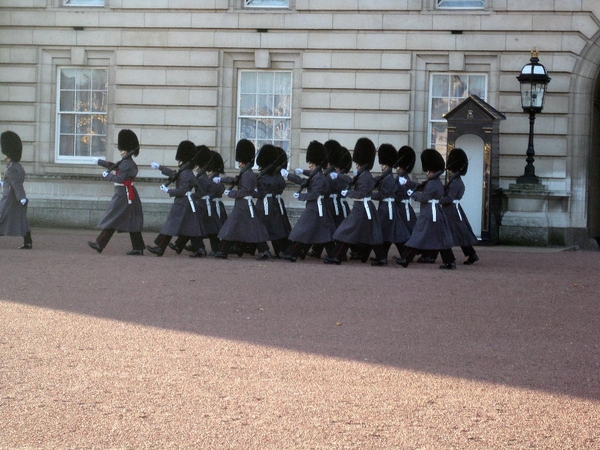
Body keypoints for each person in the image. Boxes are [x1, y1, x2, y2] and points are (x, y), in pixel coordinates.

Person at [394, 149, 456, 270]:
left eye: (428, 171)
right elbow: (419, 186)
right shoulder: (434, 181)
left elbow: (423, 197)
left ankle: (405, 259)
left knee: (417, 236)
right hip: (434, 213)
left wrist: (410, 193)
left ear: (432, 171)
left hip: (429, 213)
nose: (426, 173)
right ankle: (450, 261)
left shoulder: (433, 183)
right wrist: (407, 182)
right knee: (440, 238)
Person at [324, 137, 383, 265]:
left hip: (361, 208)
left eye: (358, 163)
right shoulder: (363, 174)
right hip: (362, 207)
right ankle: (376, 257)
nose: (356, 165)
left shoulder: (365, 175)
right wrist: (339, 175)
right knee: (371, 234)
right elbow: (351, 181)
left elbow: (361, 193)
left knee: (345, 231)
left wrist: (348, 193)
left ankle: (337, 256)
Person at [213, 139, 272, 260]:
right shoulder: (246, 173)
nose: (239, 163)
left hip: (244, 205)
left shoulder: (247, 174)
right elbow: (235, 180)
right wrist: (221, 179)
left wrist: (230, 193)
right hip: (243, 204)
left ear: (243, 161)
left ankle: (222, 251)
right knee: (249, 228)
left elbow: (245, 191)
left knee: (231, 227)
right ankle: (264, 251)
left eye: (240, 161)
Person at [87, 129, 144, 255]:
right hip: (128, 194)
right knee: (132, 220)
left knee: (113, 217)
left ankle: (99, 243)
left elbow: (119, 178)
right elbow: (116, 166)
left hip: (123, 194)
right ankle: (138, 248)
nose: (120, 152)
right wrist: (100, 162)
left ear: (124, 150)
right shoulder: (127, 162)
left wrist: (107, 176)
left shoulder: (126, 163)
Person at [279, 140, 336, 262]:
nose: (309, 165)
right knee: (324, 233)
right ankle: (333, 256)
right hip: (317, 208)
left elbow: (314, 194)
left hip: (315, 208)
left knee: (301, 230)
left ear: (316, 164)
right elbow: (303, 181)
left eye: (311, 163)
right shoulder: (318, 175)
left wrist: (300, 197)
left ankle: (291, 253)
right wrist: (288, 175)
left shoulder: (319, 178)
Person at [146, 140, 204, 257]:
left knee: (170, 225)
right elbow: (173, 174)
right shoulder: (186, 172)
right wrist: (160, 167)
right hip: (186, 203)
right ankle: (199, 249)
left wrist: (168, 190)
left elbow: (183, 191)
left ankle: (160, 248)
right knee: (191, 227)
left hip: (182, 203)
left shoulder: (186, 174)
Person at [370, 144, 411, 266]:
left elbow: (382, 195)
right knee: (389, 233)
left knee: (378, 232)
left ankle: (383, 258)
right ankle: (385, 257)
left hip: (385, 209)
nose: (382, 167)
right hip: (388, 209)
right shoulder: (389, 177)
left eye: (383, 165)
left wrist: (369, 195)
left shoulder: (388, 179)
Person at [440, 148, 479, 265]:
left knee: (445, 233)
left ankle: (448, 259)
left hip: (450, 210)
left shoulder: (455, 182)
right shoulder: (455, 181)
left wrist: (437, 201)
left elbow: (449, 198)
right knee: (461, 232)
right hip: (454, 210)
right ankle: (472, 254)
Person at [254, 144, 291, 258]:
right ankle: (280, 250)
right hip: (276, 204)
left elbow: (258, 192)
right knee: (277, 227)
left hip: (263, 204)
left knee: (258, 227)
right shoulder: (278, 177)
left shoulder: (261, 177)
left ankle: (264, 250)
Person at [0, 131, 32, 249]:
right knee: (22, 220)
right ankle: (28, 242)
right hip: (15, 198)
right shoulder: (17, 166)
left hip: (10, 199)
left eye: (7, 156)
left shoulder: (11, 169)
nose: (5, 158)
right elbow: (12, 182)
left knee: (1, 217)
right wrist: (2, 183)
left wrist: (22, 197)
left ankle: (28, 242)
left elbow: (16, 184)